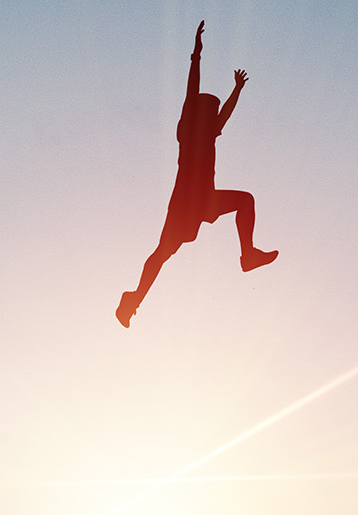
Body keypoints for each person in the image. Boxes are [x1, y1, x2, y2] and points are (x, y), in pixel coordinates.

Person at [116, 21, 277, 328]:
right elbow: (192, 90)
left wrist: (237, 90)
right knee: (162, 253)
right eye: (210, 111)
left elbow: (225, 115)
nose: (215, 117)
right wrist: (196, 53)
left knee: (246, 201)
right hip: (185, 204)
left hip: (204, 201)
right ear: (198, 113)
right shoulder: (187, 129)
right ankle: (132, 300)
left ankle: (248, 257)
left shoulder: (210, 132)